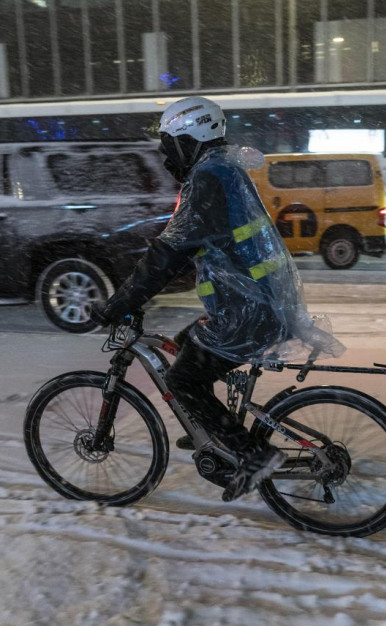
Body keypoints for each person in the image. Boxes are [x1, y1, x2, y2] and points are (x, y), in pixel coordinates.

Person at [91, 96, 342, 502]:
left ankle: (254, 455)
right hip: (258, 304)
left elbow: (167, 255)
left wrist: (117, 304)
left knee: (183, 380)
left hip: (249, 313)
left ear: (189, 140)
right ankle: (213, 427)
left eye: (170, 145)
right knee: (185, 343)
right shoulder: (223, 169)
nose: (166, 156)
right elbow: (203, 244)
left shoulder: (207, 178)